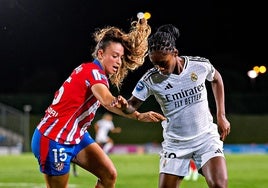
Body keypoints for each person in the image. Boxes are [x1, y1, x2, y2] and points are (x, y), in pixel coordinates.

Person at [31, 16, 166, 188]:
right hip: (53, 139)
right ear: (101, 54)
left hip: (76, 136)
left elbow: (106, 102)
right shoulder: (93, 73)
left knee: (109, 175)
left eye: (121, 57)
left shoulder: (94, 73)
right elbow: (106, 99)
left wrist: (138, 115)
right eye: (115, 56)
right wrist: (117, 102)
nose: (118, 61)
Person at [118, 24, 231, 188]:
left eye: (163, 63)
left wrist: (221, 115)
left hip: (206, 138)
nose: (160, 69)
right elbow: (131, 106)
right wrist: (124, 106)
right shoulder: (151, 79)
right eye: (155, 64)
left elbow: (216, 79)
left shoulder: (199, 65)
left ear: (175, 53)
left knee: (220, 185)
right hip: (176, 144)